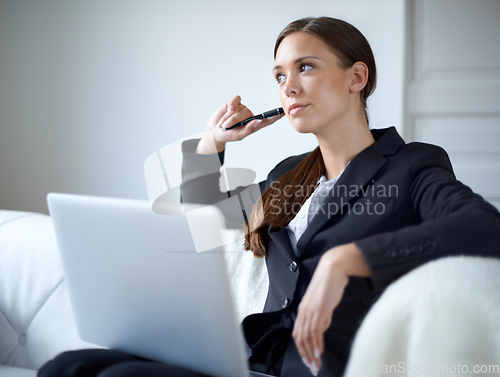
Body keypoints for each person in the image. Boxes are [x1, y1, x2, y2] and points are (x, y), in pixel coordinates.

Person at [38, 16, 500, 377]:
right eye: (279, 76)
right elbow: (204, 221)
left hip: (319, 369)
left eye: (306, 67)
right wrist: (212, 144)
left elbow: (484, 227)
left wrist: (349, 259)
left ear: (356, 77)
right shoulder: (289, 176)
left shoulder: (412, 164)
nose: (289, 87)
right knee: (69, 366)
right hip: (245, 359)